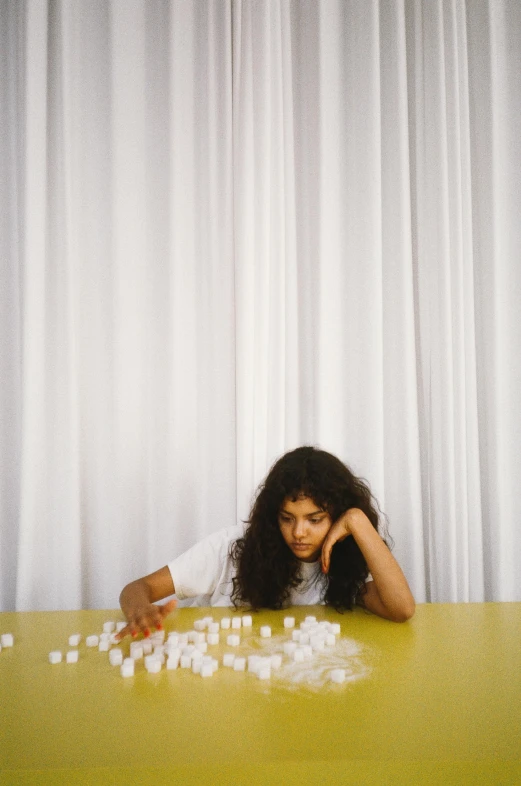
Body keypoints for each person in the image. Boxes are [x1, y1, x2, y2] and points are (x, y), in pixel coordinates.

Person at [116, 446, 415, 640]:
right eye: (287, 518)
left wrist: (357, 521)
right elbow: (137, 589)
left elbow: (401, 609)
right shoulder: (229, 548)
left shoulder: (343, 567)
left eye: (314, 520)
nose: (299, 532)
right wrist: (140, 609)